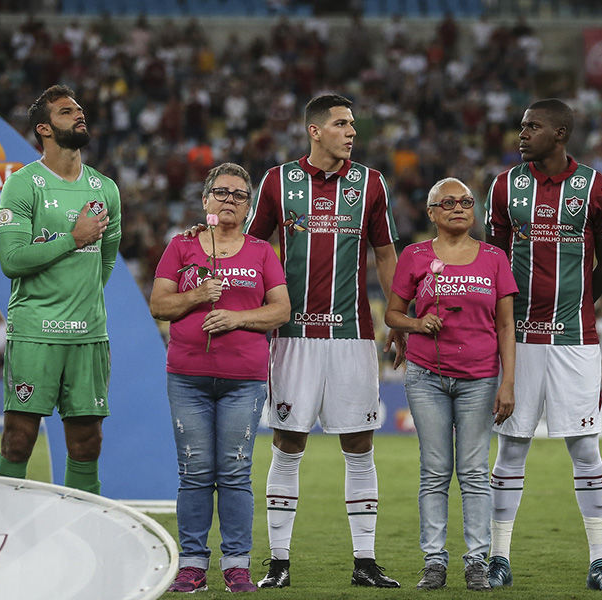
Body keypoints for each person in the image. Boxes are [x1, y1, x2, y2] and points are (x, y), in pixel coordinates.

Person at [247, 93, 404, 588]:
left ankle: (364, 562)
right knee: (287, 443)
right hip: (292, 335)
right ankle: (278, 564)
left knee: (359, 444)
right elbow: (254, 249)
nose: (351, 131)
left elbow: (385, 255)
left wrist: (397, 319)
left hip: (353, 334)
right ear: (315, 131)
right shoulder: (278, 181)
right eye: (341, 124)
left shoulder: (370, 182)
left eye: (353, 124)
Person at [483, 98, 602, 591]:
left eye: (532, 127)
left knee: (586, 448)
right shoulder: (504, 186)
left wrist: (580, 302)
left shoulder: (597, 190)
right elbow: (493, 262)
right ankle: (498, 558)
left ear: (561, 132)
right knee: (512, 448)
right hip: (518, 340)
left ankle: (601, 563)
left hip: (575, 340)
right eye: (521, 126)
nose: (521, 134)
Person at [151, 163, 290, 594]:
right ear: (205, 199)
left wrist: (236, 317)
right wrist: (197, 295)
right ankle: (192, 564)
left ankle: (237, 565)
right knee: (194, 471)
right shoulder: (181, 246)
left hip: (244, 380)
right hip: (188, 376)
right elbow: (159, 305)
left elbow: (281, 310)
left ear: (249, 206)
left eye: (239, 194)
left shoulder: (262, 251)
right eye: (221, 192)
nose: (229, 199)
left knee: (234, 471)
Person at [385, 177, 516, 591]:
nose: (459, 208)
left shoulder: (495, 257)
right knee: (435, 470)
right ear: (431, 213)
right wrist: (417, 324)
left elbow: (507, 325)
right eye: (448, 203)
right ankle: (434, 561)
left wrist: (507, 382)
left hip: (480, 378)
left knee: (475, 471)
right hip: (426, 376)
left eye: (466, 202)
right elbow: (392, 315)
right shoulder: (414, 255)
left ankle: (477, 560)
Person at [0, 85, 121, 494]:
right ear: (44, 129)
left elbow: (107, 262)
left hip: (87, 335)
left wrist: (80, 301)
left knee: (88, 442)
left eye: (80, 110)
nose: (79, 116)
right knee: (18, 438)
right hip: (35, 332)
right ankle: (4, 534)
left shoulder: (106, 189)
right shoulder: (23, 184)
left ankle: (79, 540)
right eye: (67, 112)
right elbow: (11, 260)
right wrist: (73, 238)